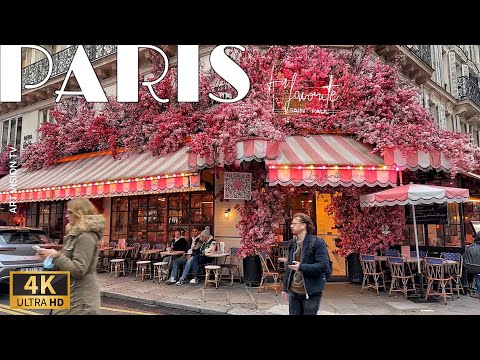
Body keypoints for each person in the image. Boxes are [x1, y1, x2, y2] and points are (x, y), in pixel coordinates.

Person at [36, 198, 105, 315]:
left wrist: (56, 256)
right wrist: (49, 257)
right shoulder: (74, 234)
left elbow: (79, 269)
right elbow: (66, 262)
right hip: (70, 294)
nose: (66, 215)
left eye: (69, 212)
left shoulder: (86, 237)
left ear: (80, 213)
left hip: (80, 300)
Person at [282, 212, 330, 315]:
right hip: (294, 292)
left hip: (311, 293)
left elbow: (323, 266)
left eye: (294, 223)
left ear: (304, 225)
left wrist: (301, 267)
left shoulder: (317, 242)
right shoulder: (293, 243)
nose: (291, 226)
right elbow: (289, 268)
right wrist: (285, 288)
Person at [464, 232, 480, 299]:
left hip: (472, 268)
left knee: (477, 277)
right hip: (477, 268)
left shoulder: (470, 247)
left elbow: (464, 256)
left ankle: (478, 292)